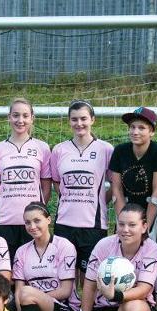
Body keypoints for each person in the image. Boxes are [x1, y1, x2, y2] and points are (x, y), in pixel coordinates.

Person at [72, 203, 157, 311]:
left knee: (132, 310)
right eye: (121, 224)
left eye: (132, 225)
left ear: (144, 227)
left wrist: (116, 296)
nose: (125, 229)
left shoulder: (151, 248)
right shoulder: (103, 245)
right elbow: (89, 287)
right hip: (104, 308)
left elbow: (144, 289)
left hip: (135, 306)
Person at [51, 100, 114, 283]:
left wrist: (100, 200)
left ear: (92, 119)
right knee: (65, 277)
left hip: (93, 225)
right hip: (64, 223)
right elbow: (57, 183)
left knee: (89, 278)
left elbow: (115, 184)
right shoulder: (59, 150)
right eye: (74, 119)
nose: (79, 123)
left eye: (83, 118)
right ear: (69, 121)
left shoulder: (106, 149)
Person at [13, 202, 80, 311]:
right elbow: (18, 293)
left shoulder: (64, 246)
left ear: (49, 220)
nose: (32, 226)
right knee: (21, 298)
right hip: (34, 309)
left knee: (27, 294)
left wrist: (37, 297)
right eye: (28, 222)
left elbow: (65, 290)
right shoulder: (21, 251)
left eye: (37, 220)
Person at [0, 98, 51, 259]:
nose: (20, 120)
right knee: (4, 269)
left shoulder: (42, 148)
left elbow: (46, 187)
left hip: (33, 223)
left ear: (32, 118)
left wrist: (36, 213)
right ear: (9, 117)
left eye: (25, 116)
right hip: (4, 222)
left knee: (32, 266)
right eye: (16, 115)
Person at [109, 107, 157, 255]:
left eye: (141, 128)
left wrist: (144, 228)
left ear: (152, 131)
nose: (135, 132)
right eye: (132, 127)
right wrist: (123, 223)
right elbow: (117, 189)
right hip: (127, 215)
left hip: (152, 218)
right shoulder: (120, 151)